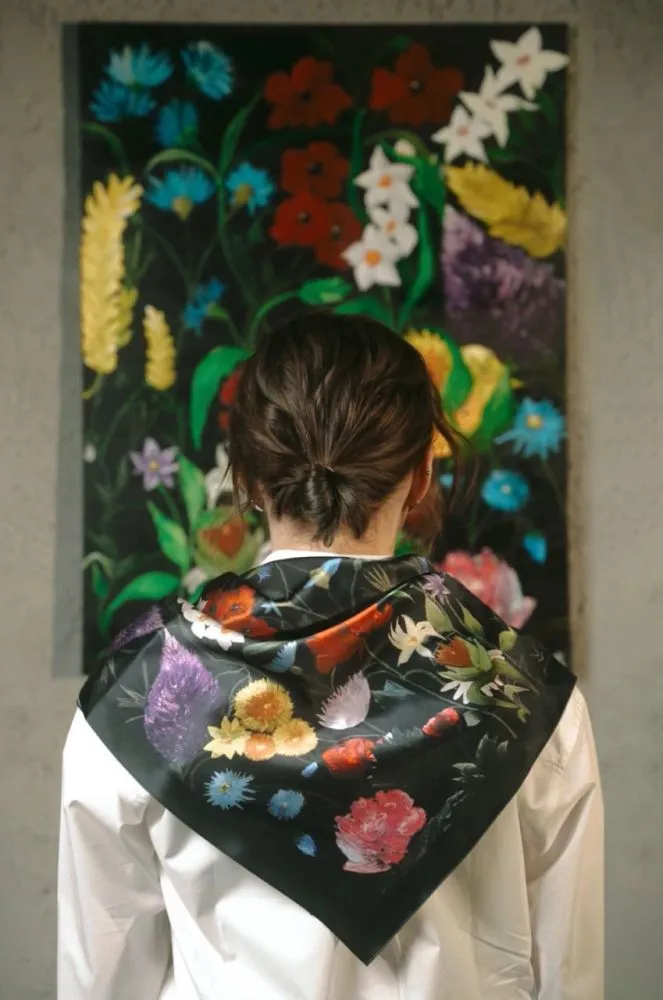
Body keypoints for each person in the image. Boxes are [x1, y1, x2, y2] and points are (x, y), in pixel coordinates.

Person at [58, 314, 603, 999]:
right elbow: (570, 978)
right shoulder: (528, 698)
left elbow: (102, 981)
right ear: (421, 474)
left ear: (245, 476)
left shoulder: (134, 697)